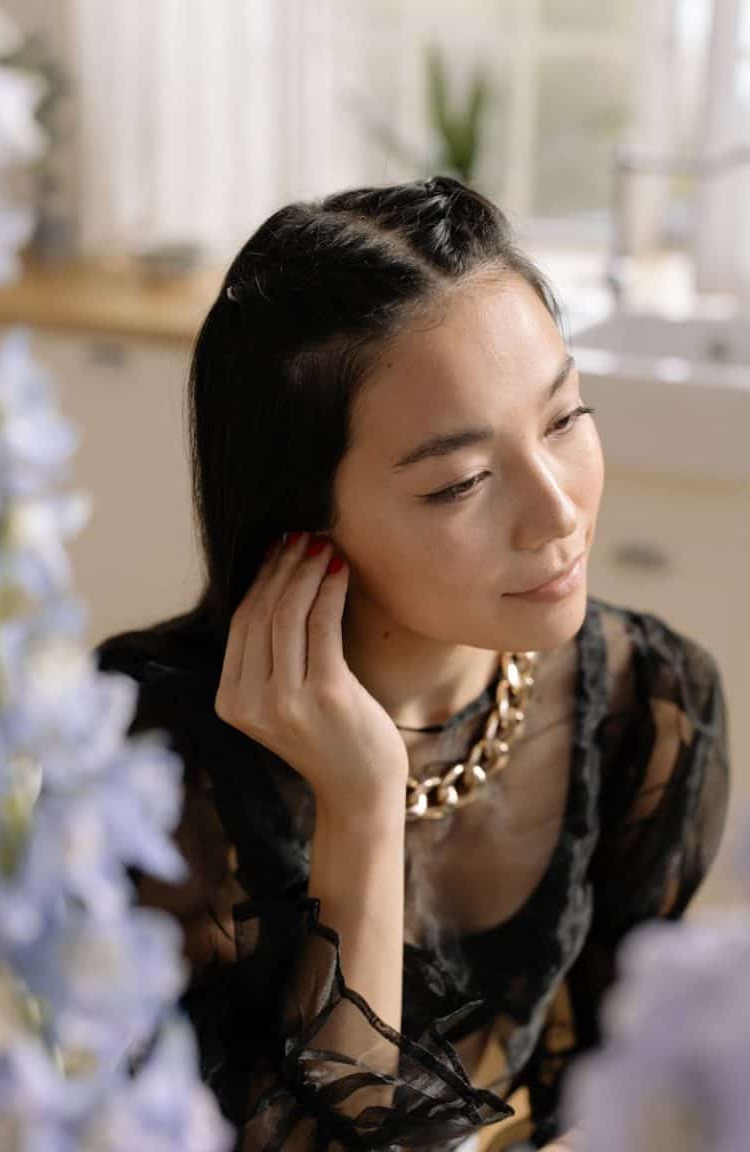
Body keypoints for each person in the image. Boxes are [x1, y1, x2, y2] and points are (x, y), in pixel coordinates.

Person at [95, 176, 730, 1151]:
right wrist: (360, 804)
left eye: (564, 417)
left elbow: (616, 1109)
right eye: (464, 480)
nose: (558, 512)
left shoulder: (650, 704)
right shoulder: (145, 757)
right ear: (303, 523)